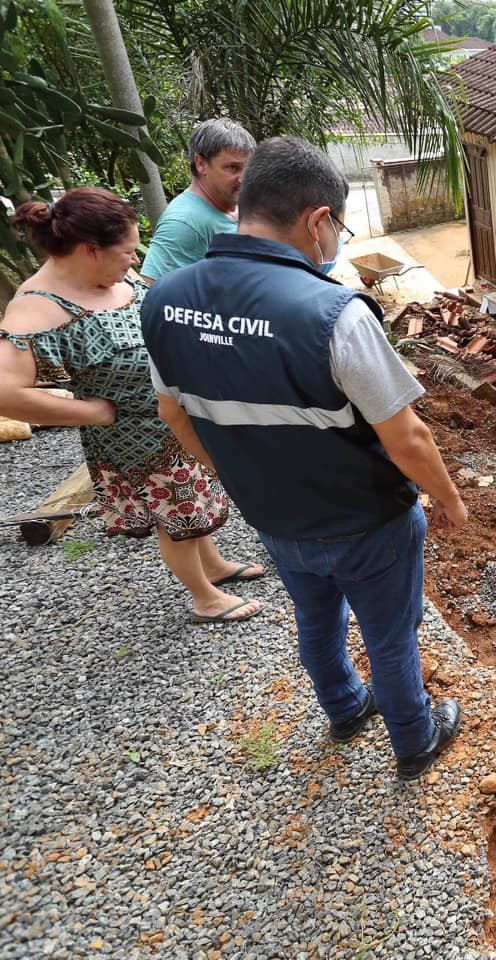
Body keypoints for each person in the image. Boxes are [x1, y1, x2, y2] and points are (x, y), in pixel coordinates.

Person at [141, 137, 468, 781]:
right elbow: (407, 438)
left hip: (274, 516)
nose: (336, 239)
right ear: (319, 219)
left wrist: (240, 477)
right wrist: (451, 500)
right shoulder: (332, 313)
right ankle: (414, 740)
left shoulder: (163, 302)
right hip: (366, 517)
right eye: (337, 226)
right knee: (390, 633)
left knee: (315, 618)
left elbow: (174, 415)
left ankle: (345, 711)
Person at [0, 187, 265, 623]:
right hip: (137, 436)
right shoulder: (36, 308)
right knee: (174, 514)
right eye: (127, 250)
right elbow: (7, 393)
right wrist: (93, 413)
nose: (135, 260)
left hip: (175, 417)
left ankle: (213, 566)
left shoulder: (105, 275)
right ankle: (204, 597)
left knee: (193, 500)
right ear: (90, 250)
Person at [140, 118, 256, 282]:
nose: (243, 178)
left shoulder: (235, 204)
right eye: (232, 168)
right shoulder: (184, 222)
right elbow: (154, 294)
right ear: (201, 163)